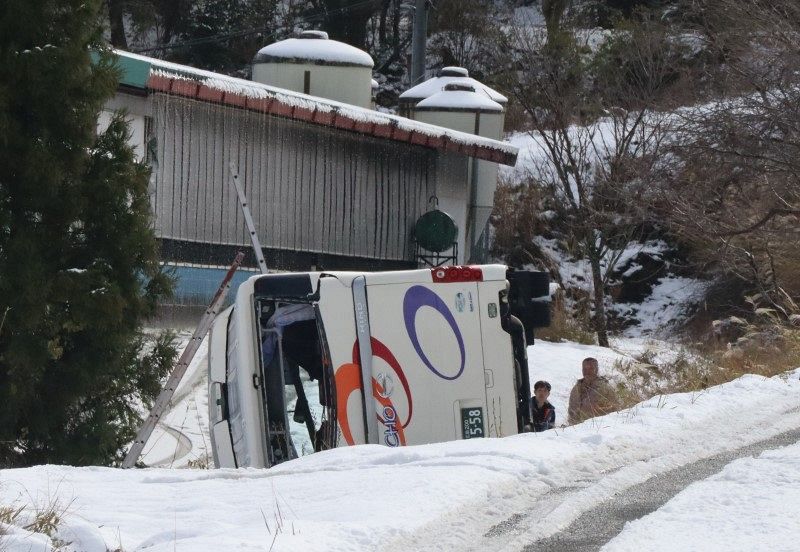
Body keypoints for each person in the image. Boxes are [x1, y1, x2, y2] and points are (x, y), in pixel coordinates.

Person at [567, 357, 618, 425]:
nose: (587, 372)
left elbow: (617, 408)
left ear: (596, 370)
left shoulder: (605, 387)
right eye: (584, 369)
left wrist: (600, 410)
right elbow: (571, 411)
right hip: (577, 429)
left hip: (599, 426)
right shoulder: (576, 388)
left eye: (591, 369)